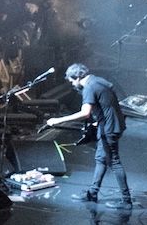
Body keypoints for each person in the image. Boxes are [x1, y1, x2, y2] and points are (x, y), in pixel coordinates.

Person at [46, 64, 131, 206]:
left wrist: (58, 120)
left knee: (114, 162)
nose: (73, 84)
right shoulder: (99, 81)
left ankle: (126, 200)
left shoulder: (89, 88)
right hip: (113, 124)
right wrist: (100, 119)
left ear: (78, 77)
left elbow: (85, 113)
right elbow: (108, 103)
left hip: (109, 128)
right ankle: (93, 193)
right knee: (100, 159)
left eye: (72, 81)